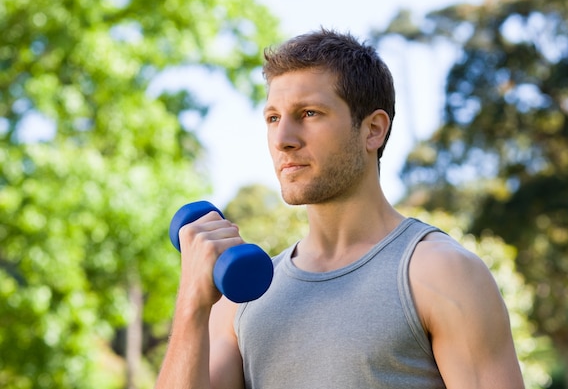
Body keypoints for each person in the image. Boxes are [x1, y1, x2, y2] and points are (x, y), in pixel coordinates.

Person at [155, 28, 525, 389]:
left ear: (373, 130)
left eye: (310, 113)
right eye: (273, 118)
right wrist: (191, 304)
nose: (283, 140)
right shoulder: (242, 301)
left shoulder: (442, 274)